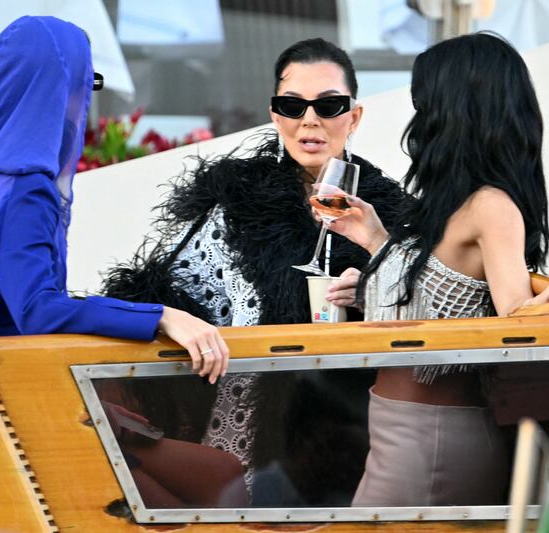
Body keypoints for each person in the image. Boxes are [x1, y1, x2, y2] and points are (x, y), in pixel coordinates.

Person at [104, 38, 409, 505]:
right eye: (293, 105)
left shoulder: (393, 214)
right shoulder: (234, 203)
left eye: (329, 105)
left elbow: (437, 304)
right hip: (249, 434)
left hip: (356, 434)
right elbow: (164, 292)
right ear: (275, 114)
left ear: (355, 115)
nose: (310, 120)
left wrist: (376, 283)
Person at [322, 32, 549, 506]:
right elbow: (438, 293)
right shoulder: (454, 202)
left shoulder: (492, 204)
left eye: (424, 103)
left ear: (456, 110)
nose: (418, 118)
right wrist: (373, 241)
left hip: (431, 437)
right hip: (404, 428)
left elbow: (512, 312)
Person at [0, 16, 227, 383]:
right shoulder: (26, 187)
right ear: (57, 89)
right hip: (7, 387)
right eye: (87, 84)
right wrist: (161, 315)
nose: (84, 100)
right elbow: (37, 309)